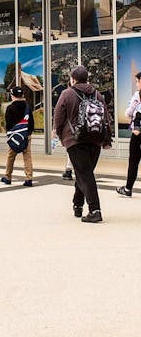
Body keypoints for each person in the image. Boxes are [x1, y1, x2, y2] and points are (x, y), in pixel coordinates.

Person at [53, 65, 111, 223]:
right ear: (87, 78)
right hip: (95, 139)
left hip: (75, 141)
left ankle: (95, 210)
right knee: (83, 173)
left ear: (73, 79)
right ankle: (77, 204)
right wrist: (106, 139)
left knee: (85, 174)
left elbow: (58, 116)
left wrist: (59, 134)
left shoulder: (66, 94)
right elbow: (106, 118)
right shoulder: (97, 94)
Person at [1, 85, 34, 187]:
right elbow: (31, 122)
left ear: (12, 96)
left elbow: (8, 124)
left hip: (15, 137)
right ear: (22, 95)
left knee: (11, 156)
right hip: (26, 136)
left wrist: (10, 135)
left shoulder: (10, 108)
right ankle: (29, 178)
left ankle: (8, 177)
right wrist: (28, 133)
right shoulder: (27, 106)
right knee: (27, 157)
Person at [117, 71, 141, 197]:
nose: (136, 84)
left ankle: (128, 188)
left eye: (137, 81)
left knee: (133, 161)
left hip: (138, 134)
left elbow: (128, 113)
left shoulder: (137, 96)